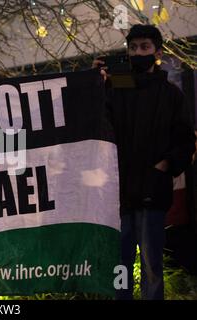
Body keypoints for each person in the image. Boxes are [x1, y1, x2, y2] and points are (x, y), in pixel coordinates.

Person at [93, 25, 196, 299]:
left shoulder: (172, 95)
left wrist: (164, 166)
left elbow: (185, 141)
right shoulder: (116, 88)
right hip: (119, 195)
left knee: (152, 266)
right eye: (133, 48)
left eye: (144, 47)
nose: (138, 53)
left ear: (157, 52)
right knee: (120, 265)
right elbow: (96, 126)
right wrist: (94, 83)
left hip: (152, 193)